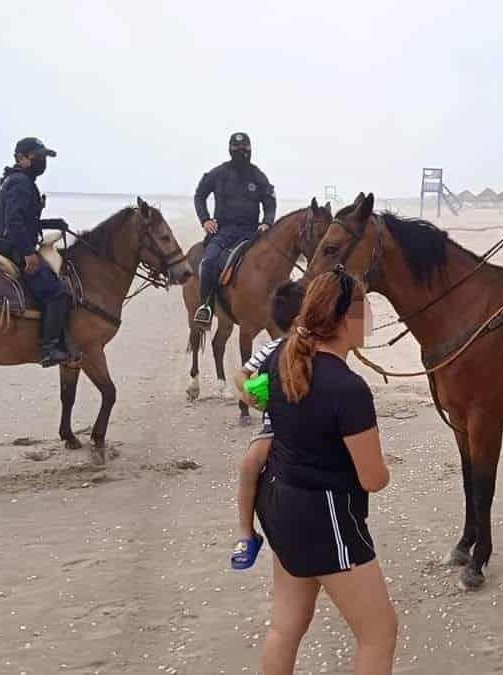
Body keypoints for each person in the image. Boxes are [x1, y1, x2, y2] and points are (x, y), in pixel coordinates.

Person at [254, 267, 397, 675]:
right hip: (325, 517)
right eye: (365, 309)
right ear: (344, 320)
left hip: (281, 505)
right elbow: (373, 478)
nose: (369, 318)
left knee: (285, 626)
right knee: (379, 632)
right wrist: (384, 471)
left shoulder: (283, 359)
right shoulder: (348, 388)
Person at [229, 280, 306, 570]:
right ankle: (247, 533)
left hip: (311, 421)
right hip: (276, 423)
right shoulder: (272, 348)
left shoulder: (320, 348)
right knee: (249, 464)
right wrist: (251, 394)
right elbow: (242, 374)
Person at [0, 137, 74, 367]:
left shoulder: (16, 180)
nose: (42, 161)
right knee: (58, 291)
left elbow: (25, 221)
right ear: (21, 158)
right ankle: (49, 348)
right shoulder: (21, 183)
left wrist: (53, 223)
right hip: (12, 248)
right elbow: (14, 223)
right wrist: (27, 253)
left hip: (4, 243)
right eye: (37, 157)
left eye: (44, 157)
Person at [193, 132, 277, 326]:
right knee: (208, 263)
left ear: (250, 149)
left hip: (252, 233)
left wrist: (267, 222)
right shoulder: (218, 173)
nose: (241, 152)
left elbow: (270, 202)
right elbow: (200, 195)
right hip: (223, 232)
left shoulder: (258, 176)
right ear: (230, 150)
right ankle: (206, 307)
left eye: (245, 149)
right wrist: (205, 220)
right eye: (237, 149)